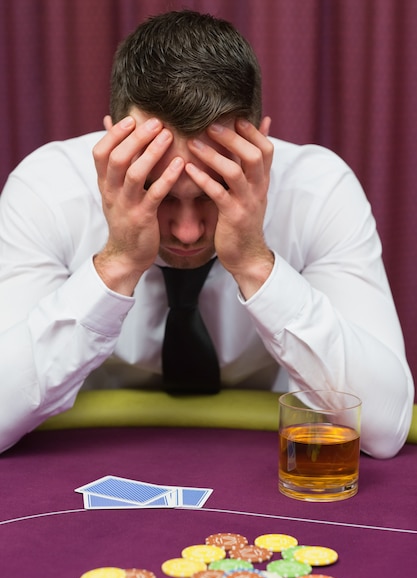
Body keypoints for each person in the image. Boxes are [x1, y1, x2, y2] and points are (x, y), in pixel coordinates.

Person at [0, 10, 413, 458]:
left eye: (215, 193)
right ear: (113, 148)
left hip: (259, 460)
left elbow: (383, 427)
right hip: (89, 456)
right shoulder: (47, 189)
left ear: (260, 146)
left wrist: (256, 262)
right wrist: (117, 262)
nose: (187, 231)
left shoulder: (317, 190)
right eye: (156, 193)